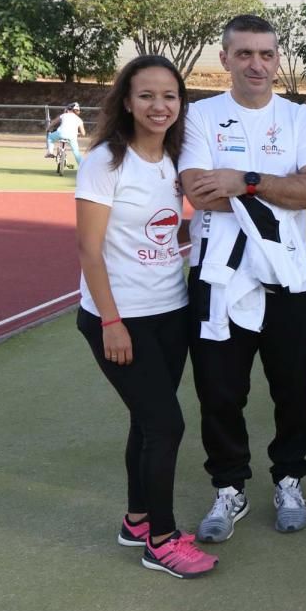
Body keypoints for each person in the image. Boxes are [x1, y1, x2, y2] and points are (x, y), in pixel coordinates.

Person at [179, 14, 306, 542]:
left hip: (290, 279)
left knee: (294, 391)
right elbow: (198, 191)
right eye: (244, 54)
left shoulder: (300, 119)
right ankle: (229, 487)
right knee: (220, 393)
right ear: (224, 59)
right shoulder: (199, 117)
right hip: (217, 281)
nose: (257, 64)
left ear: (277, 59)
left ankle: (290, 479)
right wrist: (278, 186)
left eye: (266, 54)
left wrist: (244, 180)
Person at [75, 55, 217, 578]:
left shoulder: (177, 160)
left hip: (169, 310)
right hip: (120, 318)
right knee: (166, 424)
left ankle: (136, 519)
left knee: (146, 420)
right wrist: (111, 321)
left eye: (170, 96)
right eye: (147, 96)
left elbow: (160, 233)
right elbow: (89, 251)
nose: (160, 106)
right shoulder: (106, 163)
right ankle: (160, 540)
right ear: (127, 103)